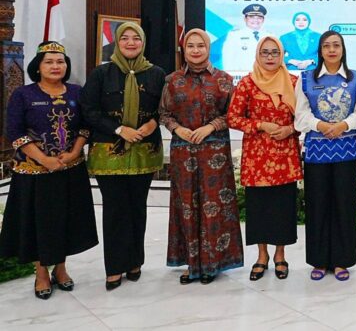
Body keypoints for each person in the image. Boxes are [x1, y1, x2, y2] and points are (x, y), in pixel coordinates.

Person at [0, 42, 98, 300]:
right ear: (38, 67)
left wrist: (76, 151)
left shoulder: (77, 92)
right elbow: (14, 132)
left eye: (60, 61)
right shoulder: (23, 94)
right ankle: (41, 272)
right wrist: (44, 159)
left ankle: (62, 269)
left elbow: (85, 126)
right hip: (34, 173)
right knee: (39, 222)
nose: (56, 66)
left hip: (70, 169)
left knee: (65, 219)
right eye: (49, 62)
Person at [80, 22, 166, 290]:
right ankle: (114, 267)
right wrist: (119, 129)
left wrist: (152, 124)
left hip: (144, 151)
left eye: (136, 38)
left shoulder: (156, 74)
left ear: (143, 42)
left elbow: (165, 108)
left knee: (137, 207)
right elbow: (89, 110)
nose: (131, 43)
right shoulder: (101, 73)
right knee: (115, 209)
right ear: (117, 42)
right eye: (125, 38)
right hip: (110, 152)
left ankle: (134, 262)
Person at [160, 29, 244, 285]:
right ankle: (191, 264)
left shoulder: (224, 79)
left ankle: (212, 263)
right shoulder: (172, 80)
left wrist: (210, 127)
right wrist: (179, 129)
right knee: (186, 206)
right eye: (190, 46)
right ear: (183, 50)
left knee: (215, 207)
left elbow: (233, 114)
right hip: (183, 151)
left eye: (201, 46)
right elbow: (164, 114)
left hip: (214, 152)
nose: (196, 50)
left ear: (208, 49)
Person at [294, 30, 356, 281]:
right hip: (317, 151)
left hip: (346, 151)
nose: (332, 50)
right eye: (327, 46)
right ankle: (318, 260)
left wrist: (344, 125)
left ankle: (341, 261)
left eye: (336, 45)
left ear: (343, 49)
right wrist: (321, 126)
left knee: (344, 206)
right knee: (317, 206)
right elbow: (300, 116)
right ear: (320, 50)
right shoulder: (305, 78)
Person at [228, 34, 303, 282]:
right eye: (265, 52)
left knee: (283, 207)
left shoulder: (294, 83)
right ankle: (262, 256)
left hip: (285, 156)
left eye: (274, 52)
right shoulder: (247, 84)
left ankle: (280, 255)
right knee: (259, 208)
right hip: (257, 159)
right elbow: (233, 118)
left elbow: (304, 117)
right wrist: (260, 125)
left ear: (282, 55)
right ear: (257, 55)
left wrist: (290, 129)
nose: (270, 57)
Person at [221, 3, 267, 74]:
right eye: (251, 17)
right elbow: (228, 59)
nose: (256, 20)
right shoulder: (234, 35)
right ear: (245, 19)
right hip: (242, 77)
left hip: (265, 77)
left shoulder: (270, 36)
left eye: (259, 18)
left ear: (263, 20)